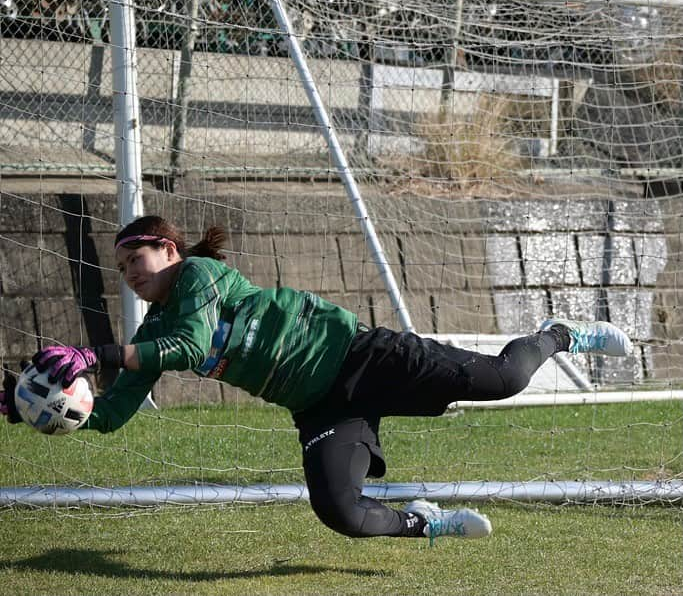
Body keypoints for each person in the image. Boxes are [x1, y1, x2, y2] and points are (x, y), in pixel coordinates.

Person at [0, 215, 633, 541]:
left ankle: (558, 334)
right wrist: (32, 406)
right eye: (120, 269)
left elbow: (189, 344)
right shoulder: (148, 338)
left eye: (135, 259)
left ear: (169, 251)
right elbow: (110, 416)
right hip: (319, 405)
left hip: (361, 356)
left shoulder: (198, 277)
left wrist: (99, 356)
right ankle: (424, 522)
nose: (130, 275)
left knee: (503, 380)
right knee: (341, 513)